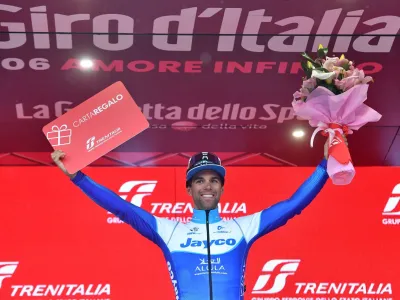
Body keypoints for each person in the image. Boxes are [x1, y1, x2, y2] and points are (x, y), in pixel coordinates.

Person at [51, 138, 337, 300]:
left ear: (223, 187)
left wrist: (325, 165)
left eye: (214, 180)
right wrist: (78, 177)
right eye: (199, 181)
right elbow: (122, 208)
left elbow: (293, 205)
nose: (208, 186)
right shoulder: (169, 230)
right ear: (189, 189)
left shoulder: (242, 227)